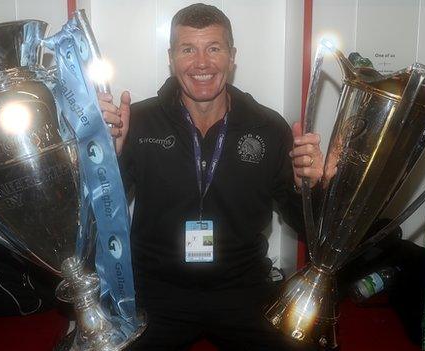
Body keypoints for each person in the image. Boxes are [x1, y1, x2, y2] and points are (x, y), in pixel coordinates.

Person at [99, 3, 323, 350]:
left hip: (243, 288)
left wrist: (308, 188)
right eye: (188, 49)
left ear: (232, 56)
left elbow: (308, 227)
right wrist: (104, 160)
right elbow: (100, 220)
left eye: (213, 48)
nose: (201, 63)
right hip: (156, 290)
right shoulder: (138, 123)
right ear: (171, 57)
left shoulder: (268, 127)